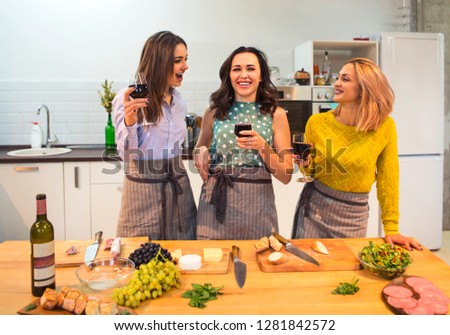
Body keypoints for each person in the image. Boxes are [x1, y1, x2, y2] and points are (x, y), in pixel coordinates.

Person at [291, 57, 422, 251]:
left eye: (345, 79)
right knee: (307, 271)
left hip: (353, 215)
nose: (336, 83)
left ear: (365, 88)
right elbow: (311, 171)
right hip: (313, 210)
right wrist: (305, 162)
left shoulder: (384, 127)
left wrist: (391, 227)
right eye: (338, 77)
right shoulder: (317, 122)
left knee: (345, 274)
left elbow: (388, 178)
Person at [194, 46, 293, 240]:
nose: (243, 75)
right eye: (237, 69)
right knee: (213, 264)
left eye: (250, 68)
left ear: (262, 75)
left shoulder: (276, 115)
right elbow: (200, 147)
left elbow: (286, 174)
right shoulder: (213, 112)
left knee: (257, 264)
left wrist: (262, 147)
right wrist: (201, 151)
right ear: (229, 75)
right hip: (215, 204)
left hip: (257, 209)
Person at [112, 31, 197, 239]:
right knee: (139, 258)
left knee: (182, 256)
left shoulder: (179, 103)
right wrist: (130, 122)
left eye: (185, 59)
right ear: (160, 63)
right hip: (142, 195)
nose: (185, 66)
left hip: (178, 190)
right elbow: (127, 156)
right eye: (178, 60)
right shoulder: (130, 99)